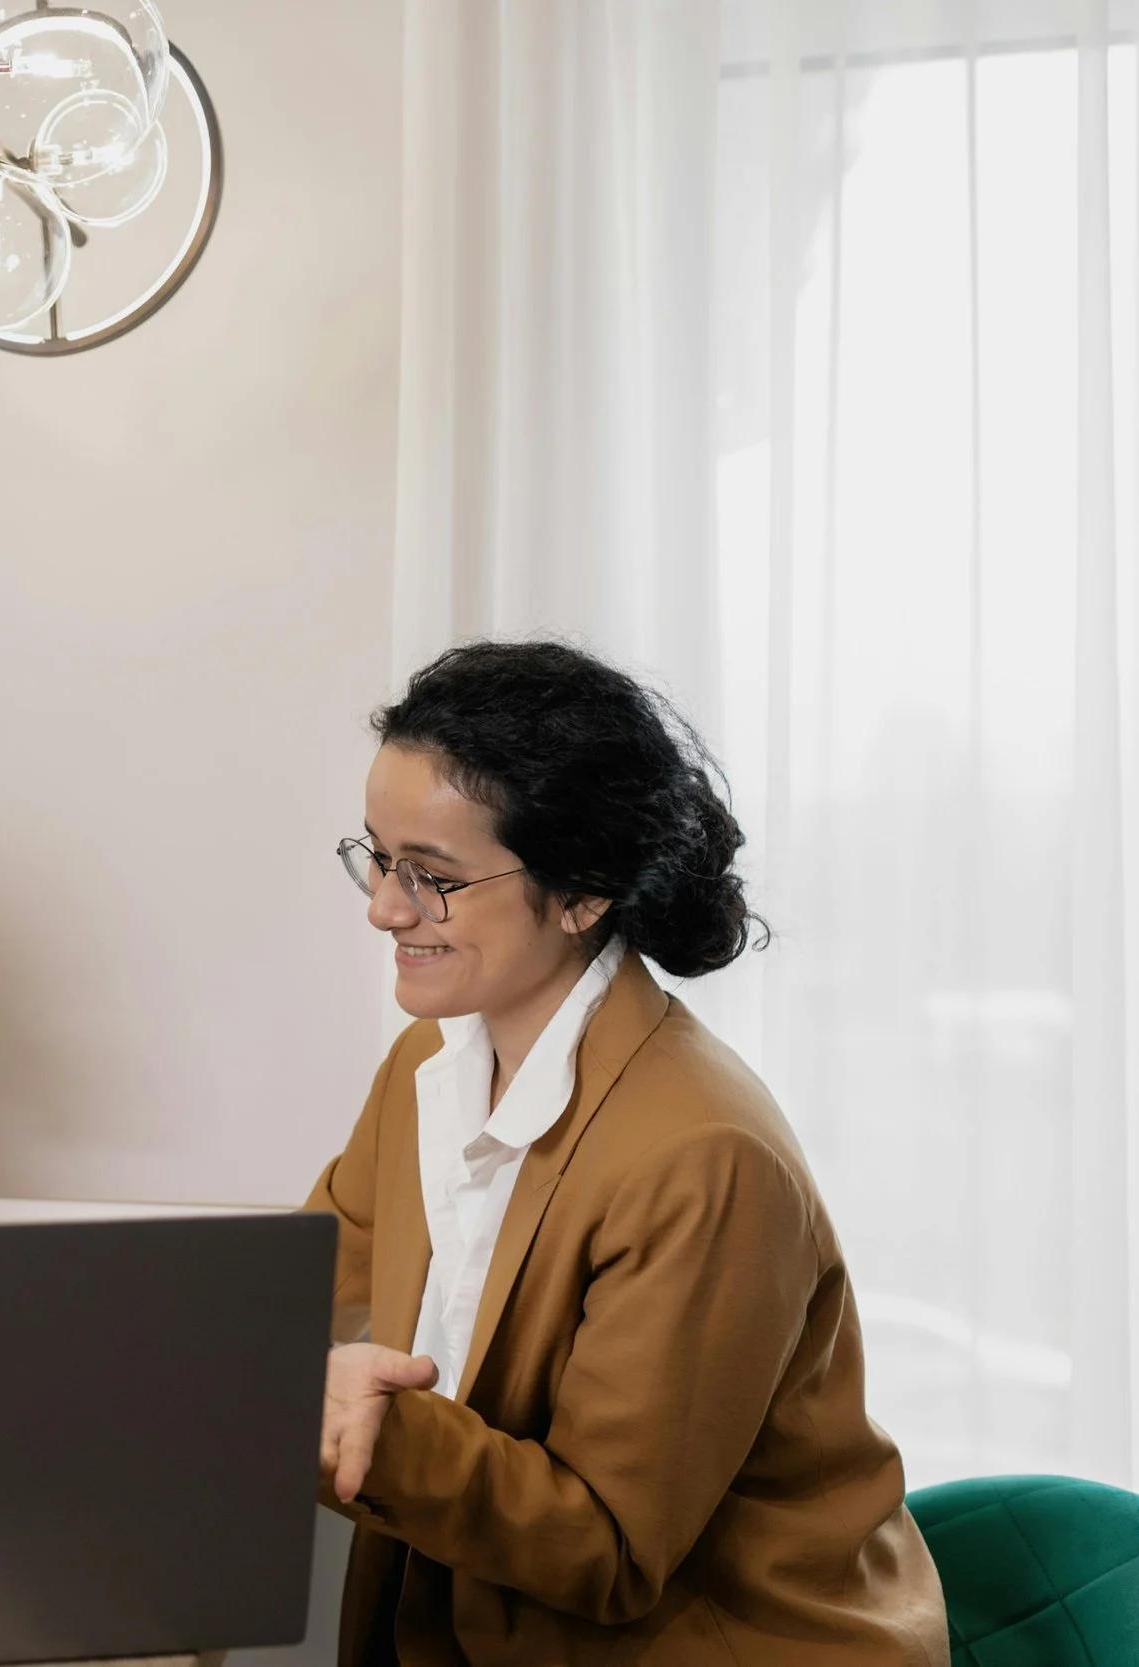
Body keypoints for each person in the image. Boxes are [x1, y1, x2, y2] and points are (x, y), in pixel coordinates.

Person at [310, 641, 947, 1665]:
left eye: (431, 877)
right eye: (377, 857)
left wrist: (368, 1424)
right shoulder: (424, 1067)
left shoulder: (703, 1155)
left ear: (583, 892)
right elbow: (301, 1299)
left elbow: (604, 1546)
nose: (384, 906)